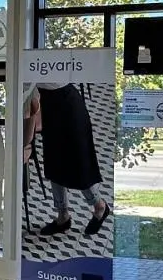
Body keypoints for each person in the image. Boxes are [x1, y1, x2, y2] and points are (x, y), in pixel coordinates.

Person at [23, 84, 110, 237]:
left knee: (78, 163)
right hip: (49, 106)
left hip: (67, 105)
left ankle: (99, 205)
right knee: (54, 163)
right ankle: (63, 215)